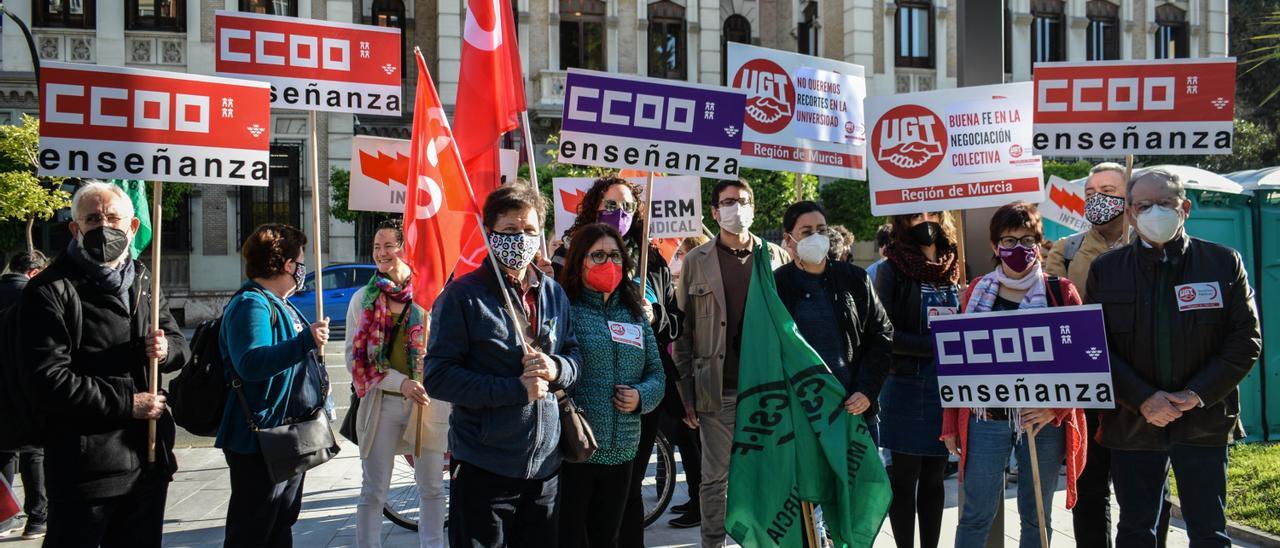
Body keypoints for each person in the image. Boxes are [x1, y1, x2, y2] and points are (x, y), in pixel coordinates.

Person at [1088, 169, 1261, 547]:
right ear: (1130, 213)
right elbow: (1094, 346)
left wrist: (1195, 394)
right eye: (1143, 206)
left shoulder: (1222, 263)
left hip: (1203, 420)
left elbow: (1246, 340)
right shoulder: (1106, 269)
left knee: (1209, 531)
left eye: (1164, 204)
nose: (1154, 213)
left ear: (1184, 208)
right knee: (1136, 531)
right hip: (1133, 424)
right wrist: (1143, 399)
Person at [21, 182, 189, 548]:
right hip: (86, 468)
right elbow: (48, 379)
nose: (103, 226)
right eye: (93, 218)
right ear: (75, 228)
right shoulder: (50, 290)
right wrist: (128, 402)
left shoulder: (144, 279)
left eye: (113, 218)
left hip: (148, 458)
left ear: (131, 227)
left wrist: (165, 350)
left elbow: (179, 346)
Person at [424, 182, 582, 547]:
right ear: (490, 233)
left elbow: (575, 356)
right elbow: (439, 376)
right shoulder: (462, 296)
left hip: (546, 472)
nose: (521, 239)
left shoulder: (552, 292)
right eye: (510, 230)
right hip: (484, 469)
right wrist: (516, 390)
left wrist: (556, 368)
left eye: (529, 230)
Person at [941, 202, 1088, 547]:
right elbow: (955, 366)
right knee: (976, 514)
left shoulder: (1061, 291)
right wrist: (950, 422)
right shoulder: (975, 293)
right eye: (1008, 240)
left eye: (1026, 239)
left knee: (1036, 514)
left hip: (1040, 420)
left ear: (1039, 242)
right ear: (995, 246)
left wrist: (1056, 409)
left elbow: (1084, 361)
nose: (1017, 249)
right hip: (984, 418)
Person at [550, 175, 688, 541]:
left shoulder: (651, 262)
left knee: (623, 509)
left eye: (627, 207)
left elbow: (672, 333)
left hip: (628, 430)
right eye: (611, 204)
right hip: (577, 438)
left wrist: (655, 318)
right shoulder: (565, 277)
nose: (620, 213)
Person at [1044, 163, 1159, 548]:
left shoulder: (1154, 246)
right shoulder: (1067, 250)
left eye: (1108, 190)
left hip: (1143, 392)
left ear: (1130, 196)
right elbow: (1049, 313)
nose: (1097, 199)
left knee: (1143, 497)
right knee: (1090, 493)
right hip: (1089, 389)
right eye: (1090, 192)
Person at [674, 179, 789, 547]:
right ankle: (713, 543)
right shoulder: (696, 261)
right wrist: (685, 393)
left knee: (769, 474)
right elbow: (684, 333)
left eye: (742, 201)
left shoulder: (775, 258)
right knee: (715, 479)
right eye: (727, 202)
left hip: (768, 388)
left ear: (752, 207)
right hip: (717, 389)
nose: (735, 208)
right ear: (713, 211)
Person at [216, 223, 330, 548]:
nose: (302, 269)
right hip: (259, 439)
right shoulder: (252, 303)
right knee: (253, 529)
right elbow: (251, 363)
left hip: (286, 434)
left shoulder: (277, 300)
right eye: (300, 261)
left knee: (279, 524)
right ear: (287, 265)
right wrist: (304, 341)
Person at [555, 223, 666, 547]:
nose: (608, 263)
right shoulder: (566, 309)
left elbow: (657, 373)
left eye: (615, 255)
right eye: (598, 255)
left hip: (624, 449)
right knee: (572, 537)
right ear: (580, 261)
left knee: (608, 538)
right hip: (577, 450)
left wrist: (641, 396)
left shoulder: (634, 313)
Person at [345, 219, 450, 548]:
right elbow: (354, 360)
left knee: (432, 486)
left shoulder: (430, 296)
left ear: (407, 249)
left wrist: (427, 373)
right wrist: (400, 382)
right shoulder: (363, 300)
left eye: (389, 245)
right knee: (373, 489)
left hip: (428, 403)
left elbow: (450, 348)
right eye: (377, 246)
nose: (381, 252)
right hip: (382, 402)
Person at [872, 211, 962, 548]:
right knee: (904, 477)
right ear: (901, 221)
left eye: (933, 213)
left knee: (935, 478)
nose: (925, 220)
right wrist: (940, 345)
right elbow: (885, 334)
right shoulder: (891, 269)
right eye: (914, 215)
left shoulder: (958, 265)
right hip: (907, 383)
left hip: (947, 384)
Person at [774, 202, 893, 441]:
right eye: (806, 232)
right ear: (788, 240)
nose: (816, 237)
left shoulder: (855, 279)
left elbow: (882, 334)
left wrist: (866, 390)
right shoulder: (776, 286)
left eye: (821, 230)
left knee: (861, 479)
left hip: (854, 408)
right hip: (801, 415)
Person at [0, 250, 49, 540]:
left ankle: (5, 514)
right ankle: (37, 517)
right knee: (33, 453)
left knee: (4, 451)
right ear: (33, 272)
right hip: (25, 385)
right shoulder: (32, 297)